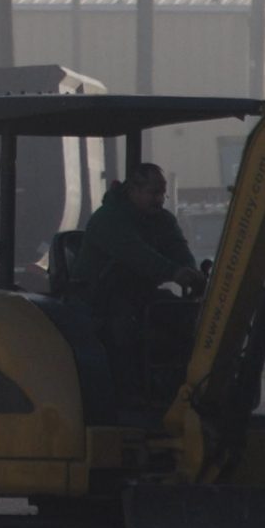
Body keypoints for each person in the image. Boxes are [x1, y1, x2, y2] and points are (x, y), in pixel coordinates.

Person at [76, 162, 202, 396]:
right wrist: (174, 273)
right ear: (133, 190)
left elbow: (177, 248)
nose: (160, 200)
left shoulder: (162, 220)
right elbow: (136, 255)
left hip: (140, 295)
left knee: (189, 317)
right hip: (100, 298)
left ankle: (176, 386)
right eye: (153, 193)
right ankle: (128, 394)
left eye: (162, 194)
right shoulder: (109, 220)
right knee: (125, 329)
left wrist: (191, 272)